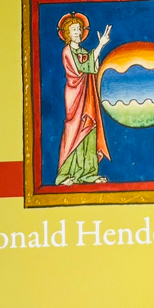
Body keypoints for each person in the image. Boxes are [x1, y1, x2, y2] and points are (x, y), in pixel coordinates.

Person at [55, 12, 111, 184]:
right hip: (75, 95)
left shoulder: (84, 51)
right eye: (74, 30)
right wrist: (100, 46)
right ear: (67, 33)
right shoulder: (67, 51)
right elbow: (81, 69)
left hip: (87, 95)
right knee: (75, 130)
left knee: (89, 128)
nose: (78, 32)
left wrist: (97, 51)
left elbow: (93, 69)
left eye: (79, 29)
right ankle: (65, 175)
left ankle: (88, 173)